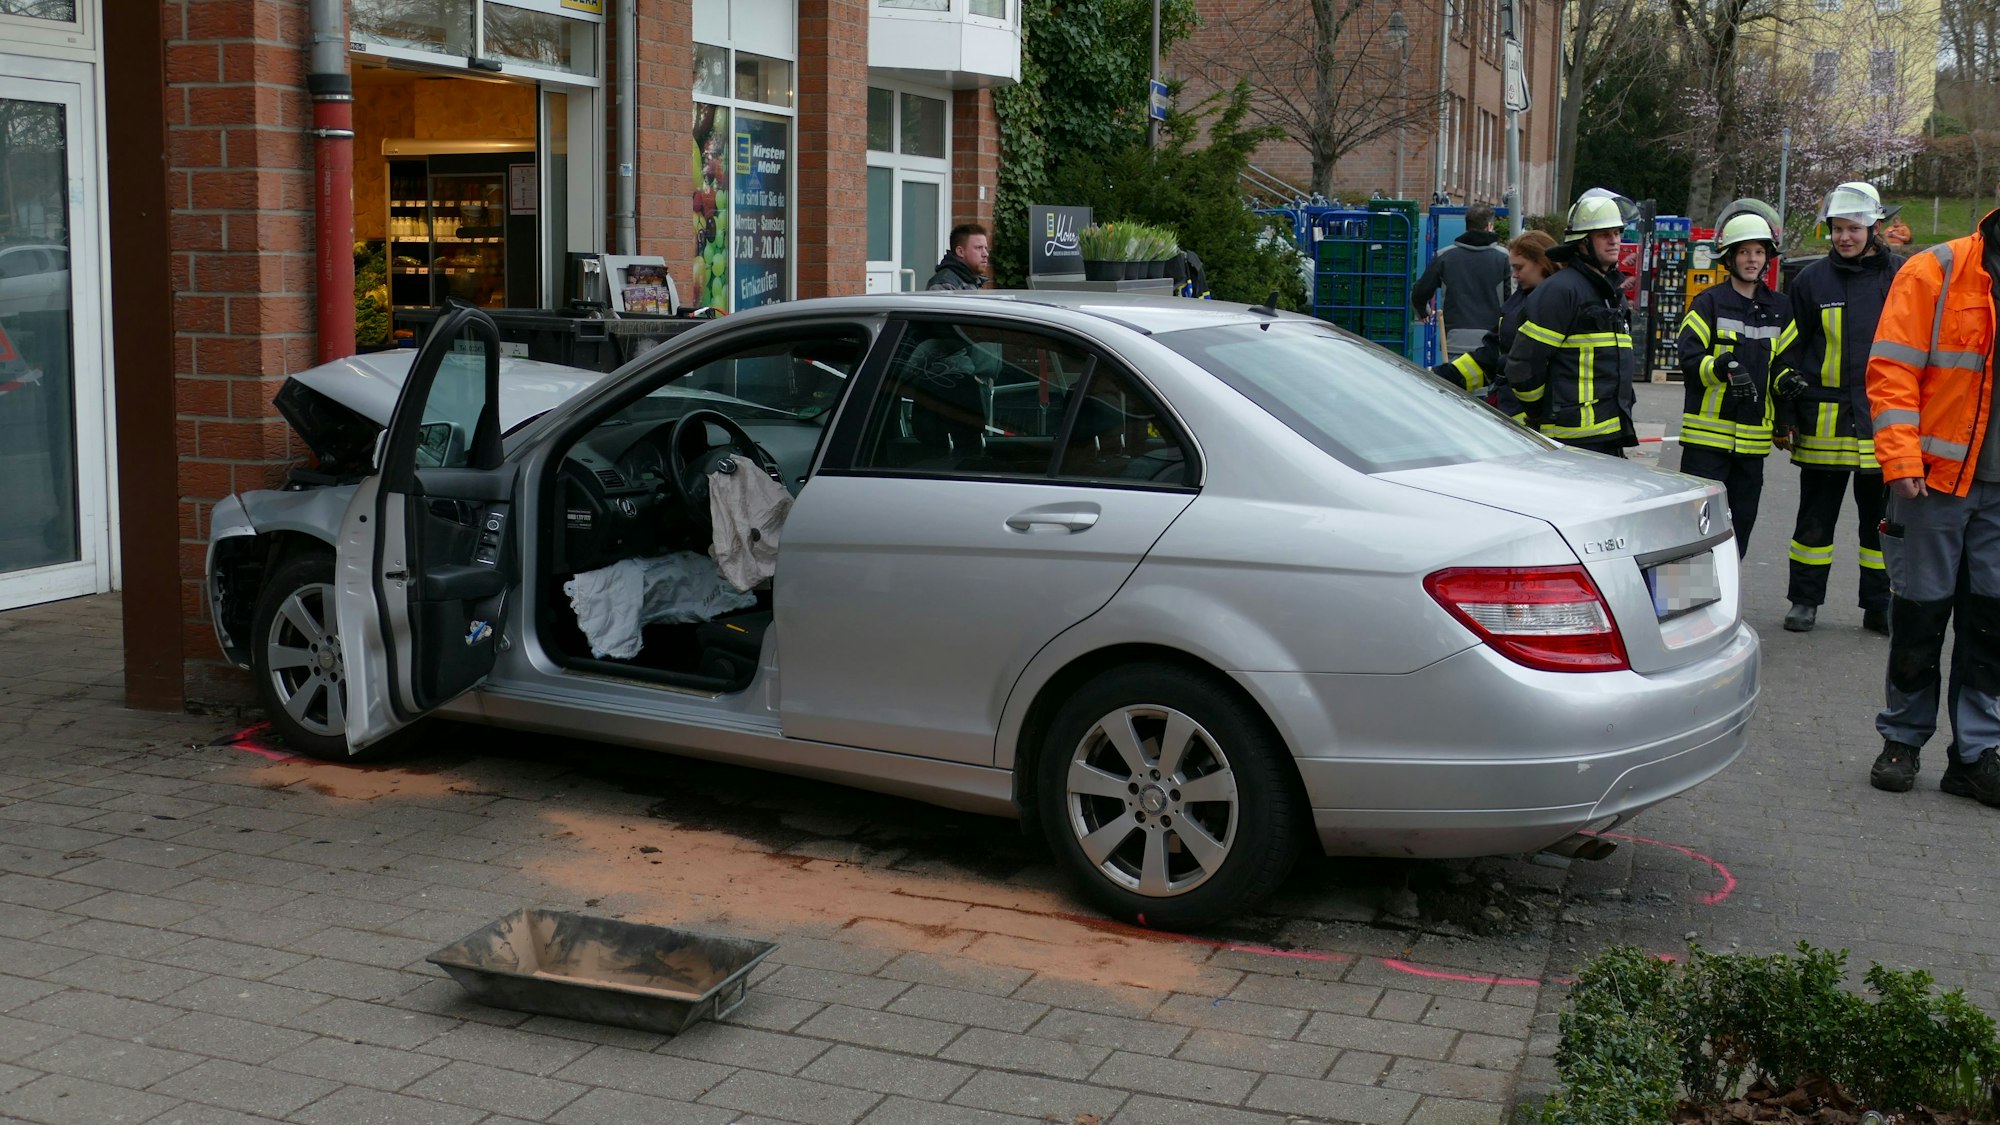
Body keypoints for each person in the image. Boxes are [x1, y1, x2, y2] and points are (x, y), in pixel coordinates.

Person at [1863, 205, 2000, 801]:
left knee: (1990, 627)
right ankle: (1903, 740)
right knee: (1921, 616)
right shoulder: (1936, 270)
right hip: (1934, 482)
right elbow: (1892, 369)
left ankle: (1976, 753)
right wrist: (1900, 456)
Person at [1774, 181, 1902, 634]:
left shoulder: (1900, 278)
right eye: (1837, 229)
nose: (1844, 237)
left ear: (1875, 227)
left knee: (1880, 526)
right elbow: (1790, 349)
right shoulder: (1810, 280)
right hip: (1824, 423)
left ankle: (1878, 605)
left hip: (1881, 422)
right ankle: (1804, 601)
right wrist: (1785, 409)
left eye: (1853, 228)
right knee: (1814, 520)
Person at [1674, 209, 1796, 556]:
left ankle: (1727, 609)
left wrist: (1789, 382)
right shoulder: (1709, 303)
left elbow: (1786, 361)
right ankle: (1680, 605)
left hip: (1752, 447)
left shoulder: (1781, 309)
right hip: (1705, 445)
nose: (1751, 259)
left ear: (1768, 257)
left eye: (1758, 252)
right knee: (1693, 533)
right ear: (1730, 257)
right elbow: (1689, 357)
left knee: (1737, 533)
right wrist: (1724, 366)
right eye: (1743, 251)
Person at [1504, 188, 1639, 456]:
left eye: (1617, 233)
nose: (1614, 240)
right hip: (1573, 441)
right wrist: (1538, 412)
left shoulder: (1611, 293)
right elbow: (1523, 366)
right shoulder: (1561, 291)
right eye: (1604, 234)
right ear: (1582, 243)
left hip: (1610, 435)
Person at [1432, 229, 1561, 424]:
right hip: (1513, 412)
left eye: (1520, 268)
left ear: (1541, 262)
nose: (1515, 275)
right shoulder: (1522, 299)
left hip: (1531, 419)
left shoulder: (1556, 302)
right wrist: (1445, 375)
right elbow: (1493, 354)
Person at [1411, 202, 1510, 362]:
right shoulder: (1504, 258)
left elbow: (1418, 294)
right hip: (1491, 343)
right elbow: (1512, 302)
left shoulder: (1444, 256)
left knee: (1454, 385)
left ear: (1467, 226)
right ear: (1489, 226)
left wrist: (1424, 313)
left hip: (1454, 341)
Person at [926, 223, 990, 290]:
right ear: (960, 252)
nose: (985, 254)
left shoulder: (972, 280)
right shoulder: (943, 285)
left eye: (985, 248)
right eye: (979, 248)